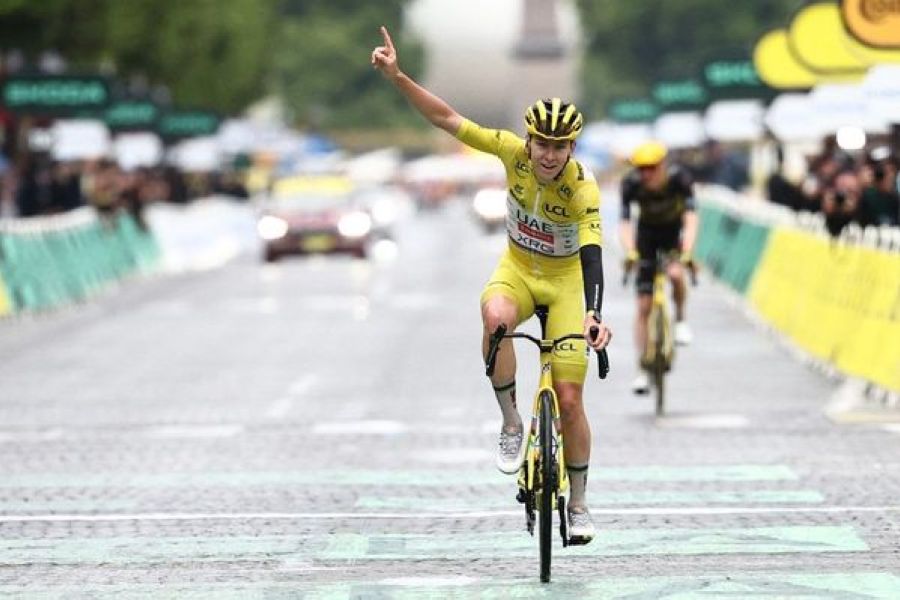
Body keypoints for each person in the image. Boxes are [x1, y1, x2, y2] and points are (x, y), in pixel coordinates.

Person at [372, 26, 612, 542]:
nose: (549, 155)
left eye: (559, 146)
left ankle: (581, 503)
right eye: (542, 144)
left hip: (568, 283)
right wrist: (398, 78)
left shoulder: (581, 187)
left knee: (569, 400)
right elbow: (447, 118)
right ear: (529, 141)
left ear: (572, 146)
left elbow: (592, 252)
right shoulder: (511, 153)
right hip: (520, 271)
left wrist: (593, 313)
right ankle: (509, 422)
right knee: (496, 318)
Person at [619, 141, 698, 394]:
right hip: (647, 238)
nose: (646, 174)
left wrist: (687, 251)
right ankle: (642, 368)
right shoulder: (631, 184)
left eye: (651, 168)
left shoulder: (679, 180)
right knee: (643, 305)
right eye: (641, 169)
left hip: (673, 235)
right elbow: (625, 221)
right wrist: (630, 250)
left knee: (675, 274)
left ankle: (681, 320)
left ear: (663, 165)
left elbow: (691, 217)